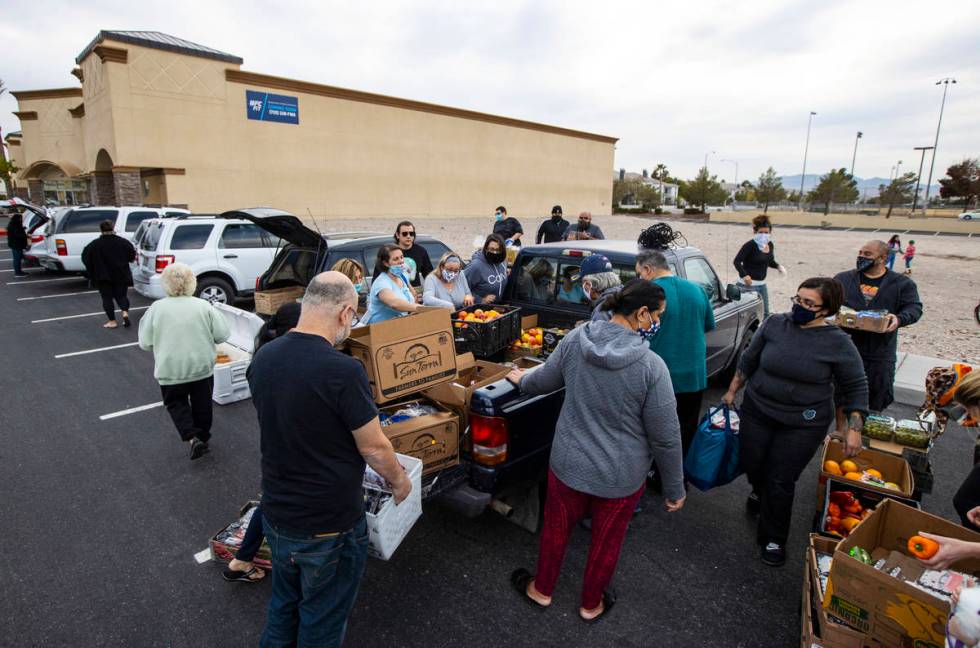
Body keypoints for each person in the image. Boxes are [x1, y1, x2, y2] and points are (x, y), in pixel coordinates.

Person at [247, 272, 412, 647]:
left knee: (283, 606)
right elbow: (374, 448)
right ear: (345, 313)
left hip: (277, 513)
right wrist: (400, 482)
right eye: (352, 319)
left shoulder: (265, 357)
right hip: (328, 526)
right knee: (321, 620)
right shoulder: (342, 370)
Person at [507, 279, 684, 622]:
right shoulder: (652, 368)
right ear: (642, 313)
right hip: (621, 477)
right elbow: (666, 437)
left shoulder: (576, 340)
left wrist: (520, 380)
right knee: (607, 541)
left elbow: (543, 382)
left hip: (568, 464)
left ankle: (541, 589)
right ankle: (591, 604)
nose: (659, 322)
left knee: (556, 529)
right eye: (658, 315)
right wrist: (675, 488)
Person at [722, 277, 869, 566]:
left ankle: (774, 538)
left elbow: (855, 386)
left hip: (802, 423)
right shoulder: (776, 324)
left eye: (808, 303)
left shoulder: (838, 343)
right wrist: (731, 391)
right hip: (758, 410)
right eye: (797, 299)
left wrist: (853, 429)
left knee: (780, 478)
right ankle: (760, 490)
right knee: (753, 462)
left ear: (826, 310)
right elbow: (750, 359)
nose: (799, 307)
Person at [138, 263, 230, 460]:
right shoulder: (203, 306)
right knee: (202, 403)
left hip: (170, 368)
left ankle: (191, 436)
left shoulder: (156, 309)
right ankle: (203, 437)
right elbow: (222, 335)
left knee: (176, 403)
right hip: (201, 366)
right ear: (192, 282)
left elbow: (145, 343)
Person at [636, 248, 716, 463]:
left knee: (653, 427)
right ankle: (677, 475)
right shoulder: (697, 290)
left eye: (640, 273)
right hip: (694, 374)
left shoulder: (648, 294)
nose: (640, 278)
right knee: (685, 427)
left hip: (659, 375)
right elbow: (709, 325)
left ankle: (654, 471)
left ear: (648, 269)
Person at [834, 240, 922, 413]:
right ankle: (839, 433)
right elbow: (828, 300)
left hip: (879, 352)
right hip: (845, 348)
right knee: (839, 394)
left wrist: (898, 319)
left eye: (867, 254)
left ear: (883, 258)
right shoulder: (843, 278)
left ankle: (865, 433)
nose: (861, 257)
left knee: (876, 395)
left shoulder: (901, 284)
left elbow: (914, 308)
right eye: (860, 253)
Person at [81, 219, 137, 329]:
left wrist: (92, 269)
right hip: (121, 274)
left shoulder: (94, 245)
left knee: (107, 298)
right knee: (122, 296)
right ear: (113, 228)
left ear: (101, 230)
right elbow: (132, 255)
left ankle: (112, 321)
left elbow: (85, 258)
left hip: (103, 276)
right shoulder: (123, 242)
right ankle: (125, 312)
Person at [732, 214, 785, 317]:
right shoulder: (750, 245)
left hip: (762, 285)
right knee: (748, 315)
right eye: (761, 232)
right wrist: (744, 275)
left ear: (770, 233)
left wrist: (778, 266)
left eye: (766, 232)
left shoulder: (769, 244)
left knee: (765, 313)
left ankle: (764, 333)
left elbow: (769, 261)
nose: (763, 235)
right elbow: (737, 261)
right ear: (755, 232)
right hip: (746, 286)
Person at [362, 245, 422, 325]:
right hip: (378, 330)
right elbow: (394, 304)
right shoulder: (382, 282)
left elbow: (413, 298)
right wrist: (420, 308)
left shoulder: (403, 276)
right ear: (386, 263)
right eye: (396, 259)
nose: (401, 261)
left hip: (398, 326)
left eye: (401, 257)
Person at [574, 254, 621, 321]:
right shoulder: (623, 296)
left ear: (588, 284)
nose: (582, 286)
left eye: (583, 283)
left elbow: (600, 330)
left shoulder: (603, 310)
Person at [464, 234, 509, 304]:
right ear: (486, 248)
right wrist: (481, 300)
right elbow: (462, 289)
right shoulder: (475, 266)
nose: (495, 252)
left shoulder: (501, 261)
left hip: (497, 307)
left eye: (498, 250)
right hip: (480, 310)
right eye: (492, 249)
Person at [393, 221, 432, 290]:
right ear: (397, 235)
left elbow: (429, 275)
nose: (408, 236)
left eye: (411, 233)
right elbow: (378, 277)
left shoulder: (421, 251)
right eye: (405, 234)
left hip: (416, 292)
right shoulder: (390, 251)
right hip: (396, 292)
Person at [6, 211, 29, 277]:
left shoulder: (13, 224)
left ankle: (19, 271)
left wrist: (22, 228)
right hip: (16, 245)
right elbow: (17, 234)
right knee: (17, 259)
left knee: (18, 258)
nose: (21, 220)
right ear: (17, 219)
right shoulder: (15, 225)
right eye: (20, 218)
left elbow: (16, 232)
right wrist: (25, 236)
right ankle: (18, 272)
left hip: (15, 244)